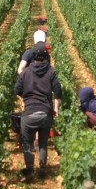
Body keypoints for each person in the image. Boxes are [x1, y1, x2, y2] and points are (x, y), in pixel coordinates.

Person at [15, 41, 61, 179]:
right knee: (42, 142)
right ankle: (42, 168)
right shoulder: (51, 71)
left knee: (27, 142)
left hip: (29, 115)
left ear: (33, 56)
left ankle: (29, 169)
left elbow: (17, 89)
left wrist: (25, 97)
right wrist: (56, 108)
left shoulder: (26, 72)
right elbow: (58, 90)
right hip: (45, 114)